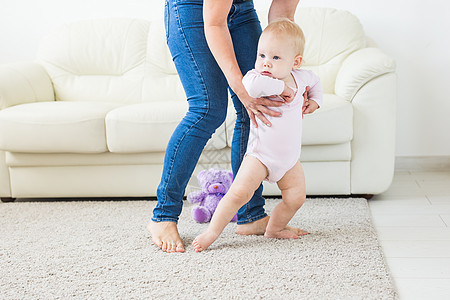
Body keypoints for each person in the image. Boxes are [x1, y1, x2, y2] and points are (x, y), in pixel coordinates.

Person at [148, 0, 304, 253]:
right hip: (193, 9)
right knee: (207, 109)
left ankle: (251, 216)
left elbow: (283, 18)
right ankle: (163, 215)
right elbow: (214, 22)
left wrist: (294, 82)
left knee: (254, 107)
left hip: (241, 9)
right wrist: (242, 88)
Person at [192, 18, 322, 252]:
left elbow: (316, 82)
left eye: (275, 58)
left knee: (296, 198)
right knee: (237, 194)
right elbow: (250, 86)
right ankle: (212, 232)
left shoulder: (302, 78)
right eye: (262, 55)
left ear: (296, 61)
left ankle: (275, 228)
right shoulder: (258, 78)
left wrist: (315, 101)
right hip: (260, 156)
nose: (266, 63)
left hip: (289, 159)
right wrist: (283, 88)